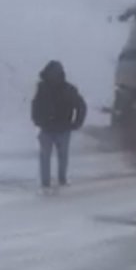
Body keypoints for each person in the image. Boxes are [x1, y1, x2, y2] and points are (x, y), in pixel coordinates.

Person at [30, 60, 87, 193]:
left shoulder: (66, 89)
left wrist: (77, 122)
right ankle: (49, 182)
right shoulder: (45, 88)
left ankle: (56, 180)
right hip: (51, 128)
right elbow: (35, 105)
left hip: (59, 128)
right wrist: (37, 119)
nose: (53, 76)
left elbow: (81, 106)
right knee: (51, 156)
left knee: (54, 156)